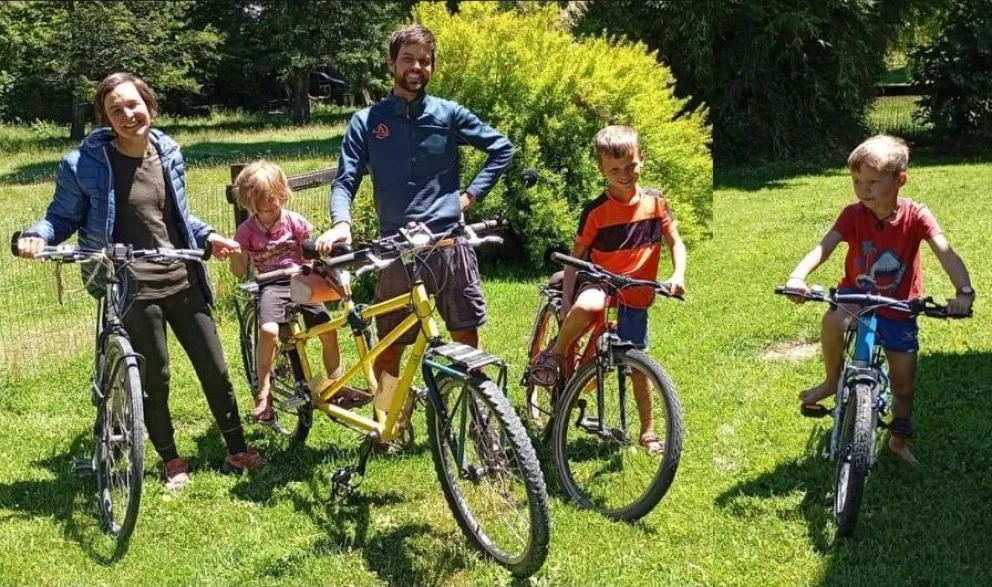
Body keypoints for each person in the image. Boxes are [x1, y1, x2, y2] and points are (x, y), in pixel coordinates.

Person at [16, 72, 263, 490]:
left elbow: (176, 218)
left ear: (149, 104)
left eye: (133, 104)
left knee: (215, 368)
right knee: (155, 376)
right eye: (116, 110)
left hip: (183, 277)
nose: (128, 114)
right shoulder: (85, 165)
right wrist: (37, 235)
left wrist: (209, 237)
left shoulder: (167, 152)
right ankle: (171, 460)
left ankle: (237, 449)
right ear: (106, 119)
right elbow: (62, 216)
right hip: (130, 284)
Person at [313, 24, 513, 436]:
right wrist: (341, 223)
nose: (416, 67)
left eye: (424, 60)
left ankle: (469, 417)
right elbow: (345, 180)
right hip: (397, 251)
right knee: (390, 348)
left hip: (450, 244)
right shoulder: (367, 121)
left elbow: (501, 148)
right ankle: (391, 421)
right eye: (408, 59)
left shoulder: (449, 114)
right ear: (391, 63)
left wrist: (469, 197)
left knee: (465, 339)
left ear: (432, 66)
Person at [784, 134, 974, 465]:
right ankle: (832, 380)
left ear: (900, 180)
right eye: (857, 181)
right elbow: (823, 247)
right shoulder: (852, 215)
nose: (863, 189)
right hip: (856, 295)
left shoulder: (917, 216)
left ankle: (898, 441)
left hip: (900, 307)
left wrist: (963, 292)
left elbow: (945, 252)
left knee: (904, 387)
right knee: (834, 319)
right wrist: (797, 277)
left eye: (873, 181)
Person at [528, 125, 687, 456]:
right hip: (600, 281)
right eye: (614, 169)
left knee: (639, 366)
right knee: (589, 306)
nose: (624, 174)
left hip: (636, 294)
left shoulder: (656, 203)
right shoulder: (596, 211)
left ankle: (647, 432)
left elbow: (675, 241)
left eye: (631, 165)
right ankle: (555, 355)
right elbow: (575, 260)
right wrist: (569, 300)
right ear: (602, 170)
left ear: (641, 158)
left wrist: (678, 273)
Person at [229, 160, 369, 422]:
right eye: (262, 201)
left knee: (327, 330)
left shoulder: (294, 222)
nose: (270, 206)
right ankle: (263, 389)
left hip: (302, 280)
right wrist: (236, 253)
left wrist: (325, 256)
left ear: (282, 193)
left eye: (274, 198)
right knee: (269, 331)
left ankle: (336, 384)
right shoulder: (246, 231)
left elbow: (315, 253)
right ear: (249, 201)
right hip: (271, 284)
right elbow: (238, 271)